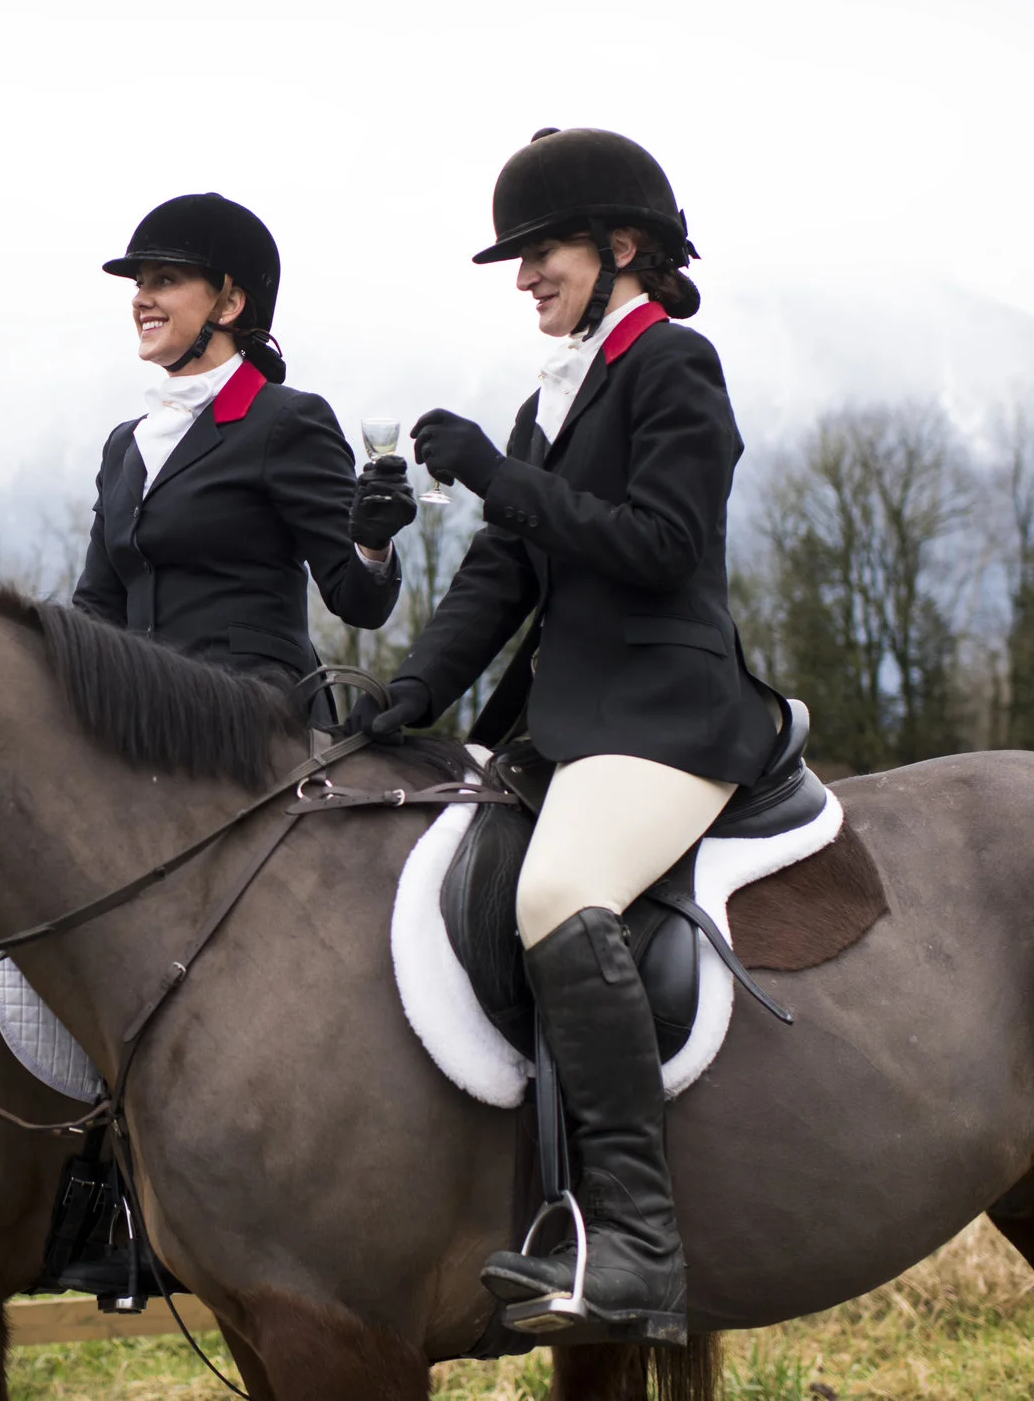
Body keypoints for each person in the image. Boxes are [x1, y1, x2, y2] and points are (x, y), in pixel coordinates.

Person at [346, 129, 780, 1347]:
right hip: (566, 722)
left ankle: (639, 1248)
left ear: (620, 249)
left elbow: (657, 546)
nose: (524, 275)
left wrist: (493, 470)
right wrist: (409, 692)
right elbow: (502, 573)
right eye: (517, 257)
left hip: (667, 717)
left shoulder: (672, 366)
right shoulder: (557, 395)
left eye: (542, 252)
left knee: (559, 893)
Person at [74, 193, 413, 697]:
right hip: (140, 721)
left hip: (258, 724)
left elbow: (359, 603)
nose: (140, 298)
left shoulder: (286, 421)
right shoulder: (124, 444)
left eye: (164, 280)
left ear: (229, 304)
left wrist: (372, 541)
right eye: (140, 283)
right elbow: (96, 608)